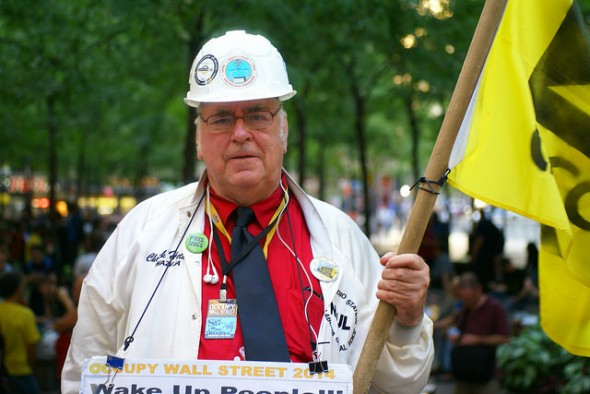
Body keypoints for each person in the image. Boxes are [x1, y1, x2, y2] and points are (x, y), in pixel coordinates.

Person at [62, 30, 433, 393]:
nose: (240, 133)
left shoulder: (342, 237)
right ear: (198, 140)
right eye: (221, 119)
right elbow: (86, 368)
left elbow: (395, 384)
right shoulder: (141, 232)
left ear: (283, 130)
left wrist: (408, 321)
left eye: (257, 116)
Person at [450, 272, 510, 394]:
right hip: (464, 372)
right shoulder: (465, 307)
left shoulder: (494, 307)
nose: (466, 302)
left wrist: (477, 340)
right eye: (463, 298)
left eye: (469, 298)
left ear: (478, 290)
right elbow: (457, 326)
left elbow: (505, 338)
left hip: (486, 374)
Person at [0, 271, 42, 393]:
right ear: (19, 289)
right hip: (22, 371)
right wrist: (32, 367)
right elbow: (31, 347)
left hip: (3, 372)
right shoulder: (25, 314)